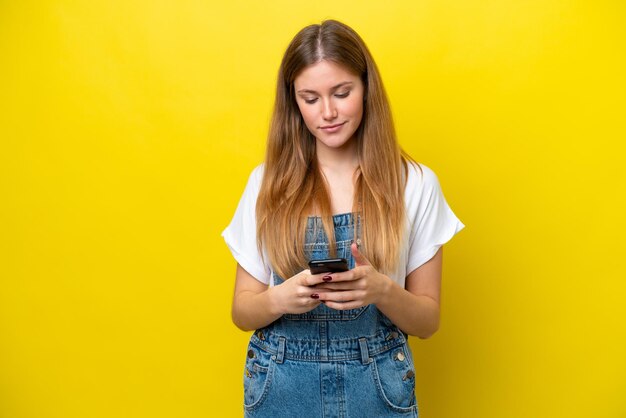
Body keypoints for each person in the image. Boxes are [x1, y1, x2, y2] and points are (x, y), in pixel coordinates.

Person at [222, 19, 465, 417]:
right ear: (294, 102)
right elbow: (241, 311)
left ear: (367, 88)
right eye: (310, 98)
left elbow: (427, 322)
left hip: (377, 385)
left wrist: (381, 291)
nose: (328, 112)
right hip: (282, 385)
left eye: (341, 92)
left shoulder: (415, 184)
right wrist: (281, 298)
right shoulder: (267, 183)